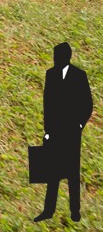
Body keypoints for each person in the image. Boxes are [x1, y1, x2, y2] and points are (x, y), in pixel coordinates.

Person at [40, 42, 94, 222]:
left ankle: (75, 211)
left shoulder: (79, 76)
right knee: (52, 172)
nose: (56, 59)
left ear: (67, 57)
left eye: (59, 56)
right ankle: (49, 210)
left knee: (72, 172)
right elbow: (47, 105)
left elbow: (87, 104)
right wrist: (47, 130)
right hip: (55, 131)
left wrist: (79, 125)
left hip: (71, 131)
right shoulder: (51, 74)